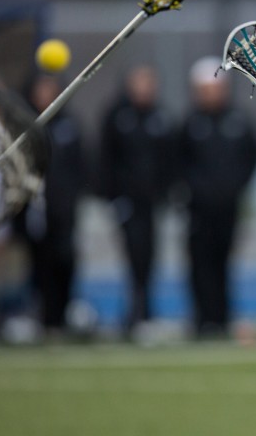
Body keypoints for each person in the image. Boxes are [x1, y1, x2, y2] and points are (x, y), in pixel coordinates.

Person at [176, 57, 256, 339]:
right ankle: (202, 320)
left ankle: (222, 319)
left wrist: (235, 187)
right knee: (199, 263)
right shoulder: (190, 123)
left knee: (225, 262)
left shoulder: (238, 121)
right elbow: (180, 164)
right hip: (198, 208)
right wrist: (194, 190)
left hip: (228, 207)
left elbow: (251, 158)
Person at [99, 63, 174, 335]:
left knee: (150, 256)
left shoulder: (160, 116)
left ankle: (146, 311)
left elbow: (169, 160)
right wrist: (113, 196)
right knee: (133, 254)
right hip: (127, 201)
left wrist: (166, 193)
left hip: (151, 202)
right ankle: (134, 313)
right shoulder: (117, 116)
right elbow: (106, 159)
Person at [16, 72, 85, 334]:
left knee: (65, 259)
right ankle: (44, 316)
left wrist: (73, 198)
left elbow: (79, 166)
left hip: (64, 209)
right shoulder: (25, 125)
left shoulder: (69, 125)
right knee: (40, 263)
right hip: (36, 207)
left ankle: (63, 314)